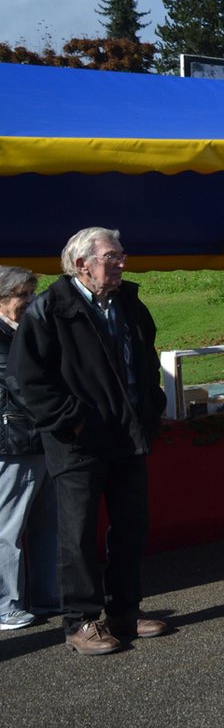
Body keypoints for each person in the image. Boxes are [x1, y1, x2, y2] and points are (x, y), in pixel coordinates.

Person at [8, 228, 169, 654]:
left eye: (120, 255)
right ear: (82, 264)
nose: (122, 262)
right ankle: (81, 622)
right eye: (112, 256)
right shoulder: (50, 309)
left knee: (131, 528)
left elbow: (147, 360)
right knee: (77, 535)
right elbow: (28, 379)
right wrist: (70, 422)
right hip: (78, 443)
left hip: (127, 437)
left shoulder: (128, 304)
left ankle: (125, 612)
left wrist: (151, 406)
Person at [0, 265, 58, 631]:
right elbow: (21, 384)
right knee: (9, 527)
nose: (29, 301)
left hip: (44, 439)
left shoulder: (30, 330)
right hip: (15, 442)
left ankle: (47, 594)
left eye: (31, 293)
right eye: (22, 294)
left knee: (46, 524)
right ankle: (6, 604)